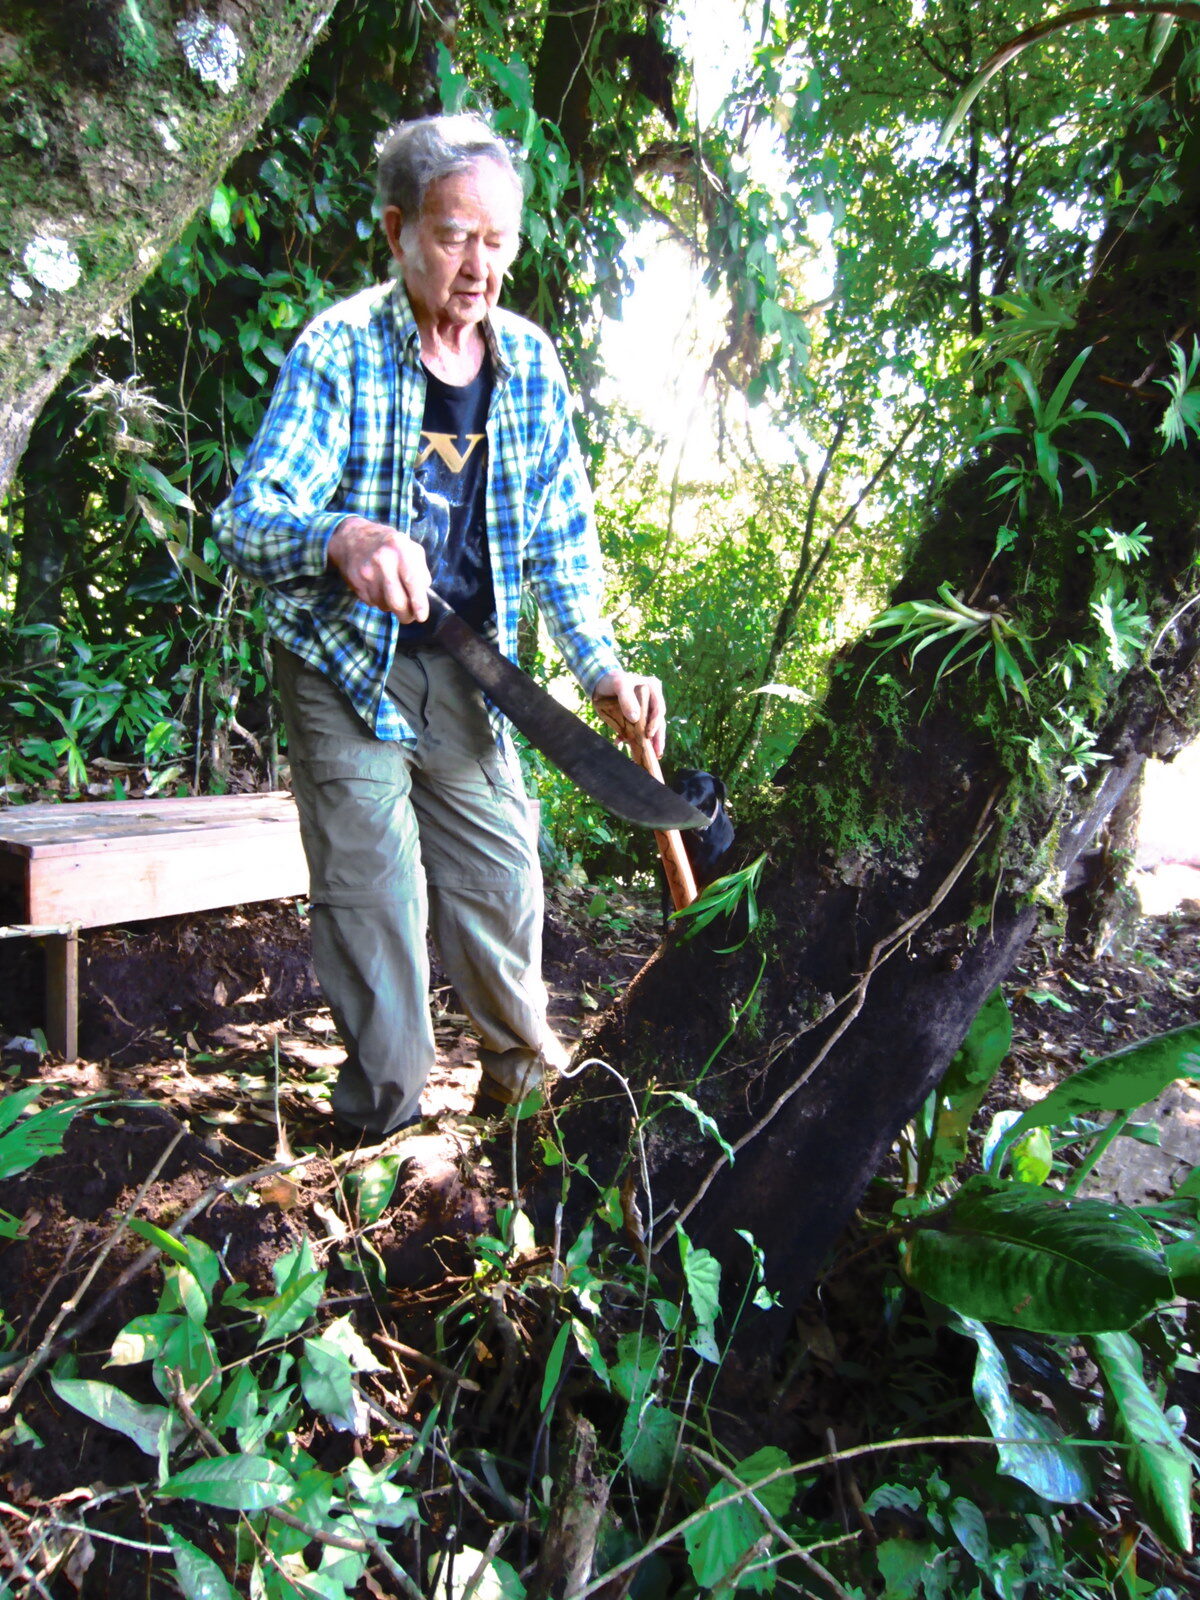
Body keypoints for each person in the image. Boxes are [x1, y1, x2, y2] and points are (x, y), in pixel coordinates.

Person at [214, 113, 665, 1144]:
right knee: (375, 909)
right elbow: (248, 519)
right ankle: (382, 1132)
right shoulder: (339, 348)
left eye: (499, 240)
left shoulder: (532, 366)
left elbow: (560, 542)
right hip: (343, 666)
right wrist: (343, 539)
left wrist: (602, 669)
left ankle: (519, 1110)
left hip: (468, 667)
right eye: (457, 235)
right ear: (398, 230)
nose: (480, 265)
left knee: (504, 881)